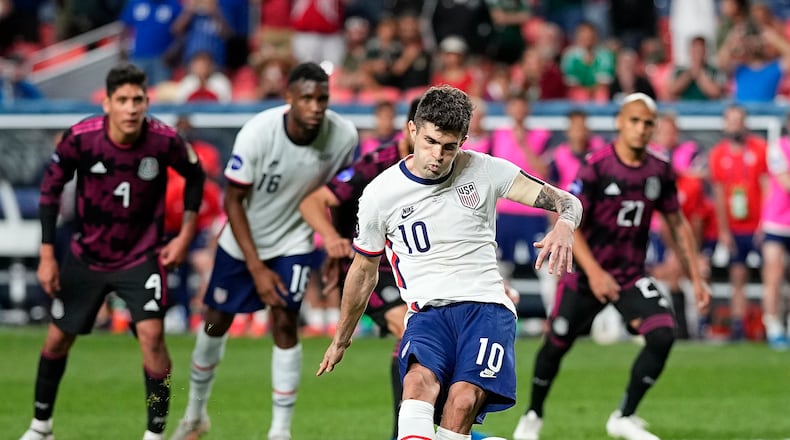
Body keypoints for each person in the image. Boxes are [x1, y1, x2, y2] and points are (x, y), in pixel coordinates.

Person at [316, 85, 582, 440]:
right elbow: (362, 272)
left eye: (449, 146)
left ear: (463, 141)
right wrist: (341, 338)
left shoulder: (486, 170)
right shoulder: (380, 194)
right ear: (412, 130)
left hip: (487, 309)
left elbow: (569, 201)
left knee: (462, 401)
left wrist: (565, 225)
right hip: (427, 314)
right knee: (416, 383)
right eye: (429, 142)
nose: (437, 155)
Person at [170, 62, 358, 440]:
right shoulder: (258, 132)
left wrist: (338, 247)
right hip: (242, 242)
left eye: (322, 98)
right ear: (289, 98)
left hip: (294, 240)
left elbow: (338, 198)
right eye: (307, 98)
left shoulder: (344, 137)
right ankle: (195, 416)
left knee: (285, 320)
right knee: (213, 324)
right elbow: (233, 200)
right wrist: (255, 267)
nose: (316, 106)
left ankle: (280, 431)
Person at [20, 63, 206, 440]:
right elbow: (49, 191)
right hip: (87, 254)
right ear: (107, 103)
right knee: (57, 339)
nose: (131, 107)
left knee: (153, 338)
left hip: (142, 255)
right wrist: (46, 254)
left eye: (138, 99)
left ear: (147, 101)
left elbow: (196, 175)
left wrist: (185, 234)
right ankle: (41, 427)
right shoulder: (80, 139)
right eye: (122, 100)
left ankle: (155, 433)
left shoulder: (164, 140)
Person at [512, 93, 710, 440]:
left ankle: (624, 416)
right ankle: (533, 414)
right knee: (557, 342)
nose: (641, 129)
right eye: (635, 121)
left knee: (663, 332)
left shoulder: (659, 169)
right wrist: (595, 273)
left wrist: (696, 275)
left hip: (630, 273)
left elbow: (677, 223)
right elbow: (571, 220)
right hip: (586, 273)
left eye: (648, 123)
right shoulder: (597, 165)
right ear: (620, 122)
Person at [300, 98, 419, 439]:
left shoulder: (439, 166)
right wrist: (333, 240)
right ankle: (405, 432)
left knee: (425, 340)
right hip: (372, 269)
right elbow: (313, 201)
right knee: (408, 328)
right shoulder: (376, 164)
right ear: (410, 129)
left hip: (415, 268)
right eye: (426, 136)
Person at [708, 105, 767, 341]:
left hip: (759, 225)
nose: (735, 125)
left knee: (772, 272)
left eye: (738, 120)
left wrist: (765, 222)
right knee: (737, 275)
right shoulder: (718, 154)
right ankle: (739, 326)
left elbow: (766, 188)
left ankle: (771, 322)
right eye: (730, 121)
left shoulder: (759, 149)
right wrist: (723, 230)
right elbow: (719, 195)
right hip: (734, 227)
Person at [759, 113, 790, 350]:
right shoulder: (778, 148)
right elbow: (785, 182)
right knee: (774, 273)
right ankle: (773, 326)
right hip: (777, 222)